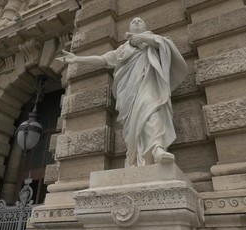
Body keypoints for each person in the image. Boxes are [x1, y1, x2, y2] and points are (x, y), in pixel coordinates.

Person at [58, 17, 187, 167]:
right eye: (133, 21)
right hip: (128, 94)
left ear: (145, 27)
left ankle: (157, 148)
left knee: (152, 111)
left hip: (149, 85)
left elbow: (168, 48)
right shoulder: (122, 50)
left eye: (140, 20)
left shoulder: (155, 41)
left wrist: (143, 38)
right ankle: (134, 157)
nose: (137, 21)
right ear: (129, 29)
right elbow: (102, 59)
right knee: (132, 126)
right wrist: (77, 59)